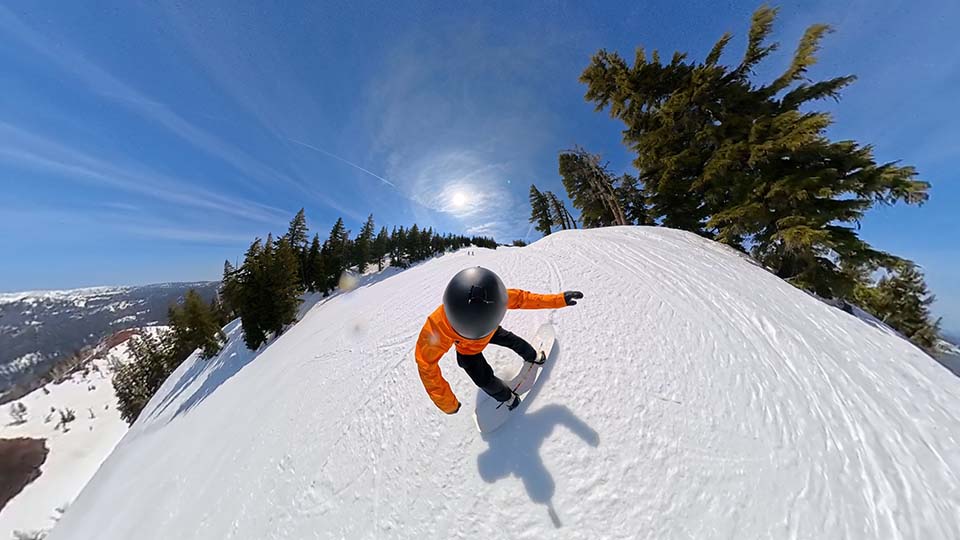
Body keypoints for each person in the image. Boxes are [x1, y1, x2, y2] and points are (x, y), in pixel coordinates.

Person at [414, 266, 583, 414]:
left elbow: (524, 299)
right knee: (483, 379)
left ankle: (533, 356)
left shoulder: (495, 297)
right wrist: (448, 404)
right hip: (467, 350)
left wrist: (559, 299)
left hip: (490, 330)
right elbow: (426, 365)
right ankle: (508, 398)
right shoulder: (437, 327)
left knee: (511, 340)